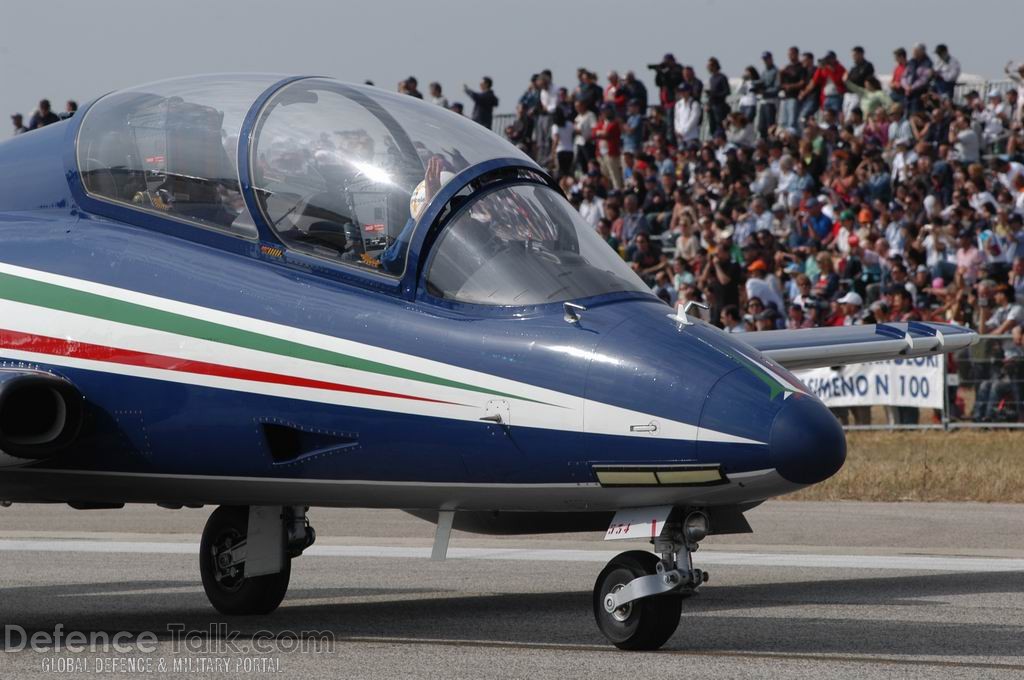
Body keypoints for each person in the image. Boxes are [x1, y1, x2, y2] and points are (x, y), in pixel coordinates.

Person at [593, 104, 623, 190]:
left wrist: (599, 133)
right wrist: (600, 133)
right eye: (603, 111)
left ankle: (618, 191)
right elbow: (593, 133)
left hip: (611, 153)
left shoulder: (615, 123)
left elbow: (607, 134)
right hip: (601, 153)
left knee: (614, 174)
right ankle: (609, 192)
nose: (605, 113)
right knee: (605, 175)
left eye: (606, 110)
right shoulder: (601, 123)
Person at [778, 46, 807, 133]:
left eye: (792, 54)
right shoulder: (787, 68)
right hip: (786, 97)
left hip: (794, 97)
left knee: (792, 122)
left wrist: (790, 86)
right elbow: (780, 84)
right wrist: (780, 74)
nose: (790, 56)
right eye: (789, 54)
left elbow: (802, 82)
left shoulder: (801, 68)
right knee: (784, 122)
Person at [844, 46, 874, 120]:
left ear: (861, 54)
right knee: (846, 114)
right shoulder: (854, 68)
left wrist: (848, 79)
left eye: (855, 55)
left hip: (858, 94)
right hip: (849, 94)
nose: (853, 57)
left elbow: (859, 78)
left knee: (852, 115)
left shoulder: (867, 66)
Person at [705, 57, 731, 138]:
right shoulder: (711, 78)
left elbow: (727, 92)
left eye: (709, 66)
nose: (708, 68)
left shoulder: (722, 77)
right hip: (712, 106)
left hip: (720, 106)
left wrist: (715, 94)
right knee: (712, 127)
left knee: (720, 126)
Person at [758, 51, 780, 138]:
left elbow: (777, 88)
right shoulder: (763, 72)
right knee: (761, 127)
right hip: (763, 101)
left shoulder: (776, 71)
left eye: (767, 59)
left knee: (770, 126)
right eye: (764, 59)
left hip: (771, 102)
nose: (765, 61)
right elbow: (761, 83)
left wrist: (765, 92)